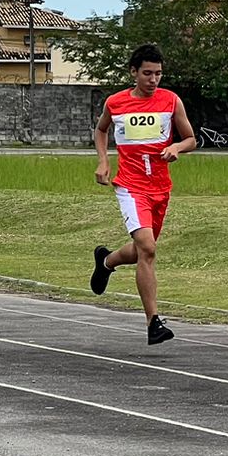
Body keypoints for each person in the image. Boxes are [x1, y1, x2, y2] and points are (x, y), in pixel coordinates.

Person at [89, 43, 196, 345]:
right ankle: (153, 322)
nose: (153, 80)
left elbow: (191, 138)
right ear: (133, 73)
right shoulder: (116, 103)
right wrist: (103, 160)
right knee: (147, 248)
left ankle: (107, 261)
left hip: (160, 188)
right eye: (147, 73)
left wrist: (176, 147)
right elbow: (101, 130)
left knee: (141, 251)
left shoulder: (171, 101)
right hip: (130, 186)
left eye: (158, 74)